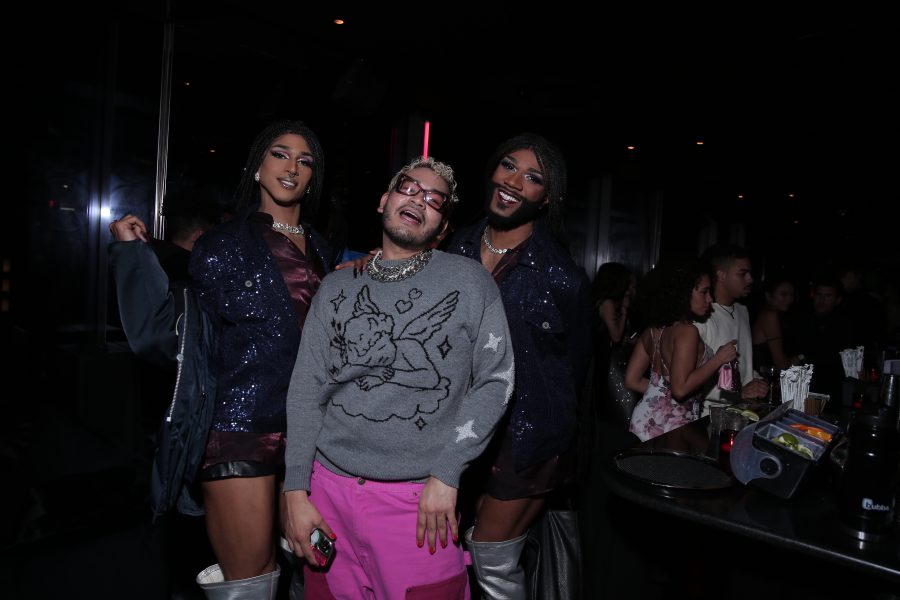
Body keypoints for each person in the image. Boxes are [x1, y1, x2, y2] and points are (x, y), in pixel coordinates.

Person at [109, 118, 338, 599]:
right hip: (241, 428)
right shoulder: (223, 244)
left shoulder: (322, 249)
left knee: (311, 570)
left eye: (305, 160)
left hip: (311, 432)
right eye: (280, 154)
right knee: (252, 580)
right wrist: (133, 256)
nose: (292, 167)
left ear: (313, 177)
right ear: (257, 167)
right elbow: (180, 334)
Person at [281, 155, 514, 599]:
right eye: (409, 189)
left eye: (434, 200)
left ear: (442, 227)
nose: (419, 200)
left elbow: (495, 381)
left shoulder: (469, 282)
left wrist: (448, 474)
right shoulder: (336, 286)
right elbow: (307, 387)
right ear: (384, 200)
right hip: (327, 494)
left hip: (419, 503)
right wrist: (295, 490)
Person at [443, 132, 592, 599]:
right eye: (508, 166)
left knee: (492, 556)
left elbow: (575, 372)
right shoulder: (453, 248)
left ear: (546, 198)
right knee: (449, 552)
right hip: (457, 431)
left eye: (533, 178)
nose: (513, 181)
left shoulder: (561, 277)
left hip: (528, 439)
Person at [624, 257, 738, 441]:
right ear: (683, 292)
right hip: (671, 428)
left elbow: (631, 380)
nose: (710, 299)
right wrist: (719, 358)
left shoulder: (652, 330)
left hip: (643, 422)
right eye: (704, 292)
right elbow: (680, 389)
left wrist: (662, 396)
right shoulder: (687, 332)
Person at [695, 243, 768, 405]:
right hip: (709, 414)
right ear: (721, 275)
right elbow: (689, 377)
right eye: (743, 274)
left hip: (742, 410)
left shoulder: (742, 310)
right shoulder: (701, 317)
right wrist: (739, 392)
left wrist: (756, 380)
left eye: (750, 273)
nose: (750, 279)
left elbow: (742, 365)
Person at [751, 273, 804, 372]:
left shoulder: (772, 313)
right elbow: (780, 362)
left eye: (791, 295)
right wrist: (800, 358)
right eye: (783, 294)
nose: (789, 299)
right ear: (768, 295)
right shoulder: (770, 315)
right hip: (764, 377)